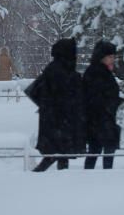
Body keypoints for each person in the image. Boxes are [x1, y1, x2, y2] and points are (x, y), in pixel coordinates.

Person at [28, 38, 84, 172]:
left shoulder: (55, 68)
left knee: (59, 154)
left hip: (56, 120)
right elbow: (66, 94)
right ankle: (43, 177)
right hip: (59, 120)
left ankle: (58, 178)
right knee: (57, 153)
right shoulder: (60, 70)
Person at [83, 40, 123, 170]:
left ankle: (94, 176)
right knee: (101, 150)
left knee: (96, 150)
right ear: (102, 57)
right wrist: (112, 102)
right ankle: (104, 176)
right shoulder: (96, 72)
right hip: (100, 119)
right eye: (110, 57)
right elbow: (94, 97)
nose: (113, 59)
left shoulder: (102, 72)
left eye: (113, 57)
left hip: (102, 119)